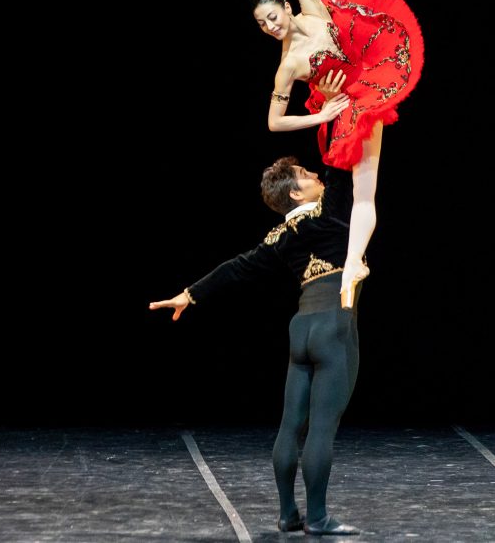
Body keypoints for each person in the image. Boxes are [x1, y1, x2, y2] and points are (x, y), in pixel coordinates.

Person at [227, 0, 424, 308]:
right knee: (364, 188)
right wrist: (320, 115)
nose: (270, 26)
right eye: (261, 25)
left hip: (366, 52)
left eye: (271, 16)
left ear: (284, 5)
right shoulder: (287, 66)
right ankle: (352, 264)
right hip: (353, 98)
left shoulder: (311, 6)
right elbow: (274, 122)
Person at [149, 150, 364, 535]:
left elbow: (237, 268)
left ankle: (288, 514)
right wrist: (340, 120)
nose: (315, 175)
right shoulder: (327, 213)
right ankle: (317, 517)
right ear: (295, 194)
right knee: (321, 429)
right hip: (333, 325)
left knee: (290, 426)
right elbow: (340, 166)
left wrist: (189, 294)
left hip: (301, 329)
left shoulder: (279, 236)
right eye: (306, 173)